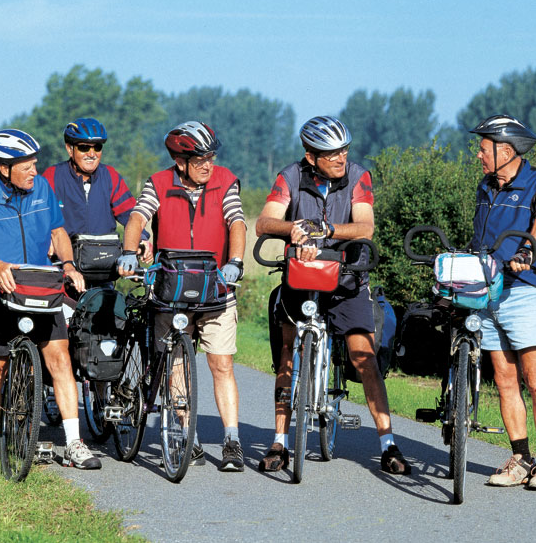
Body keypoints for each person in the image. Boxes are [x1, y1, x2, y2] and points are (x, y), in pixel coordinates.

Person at [256, 116, 411, 475]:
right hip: (302, 275)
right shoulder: (290, 176)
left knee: (363, 356)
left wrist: (327, 230)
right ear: (311, 156)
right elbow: (264, 222)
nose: (341, 157)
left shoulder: (358, 176)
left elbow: (365, 226)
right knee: (286, 355)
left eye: (344, 149)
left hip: (346, 279)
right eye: (331, 153)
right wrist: (293, 230)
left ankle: (388, 443)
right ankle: (280, 441)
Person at [0, 129, 100, 472]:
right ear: (4, 168)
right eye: (26, 165)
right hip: (1, 293)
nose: (34, 171)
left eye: (35, 164)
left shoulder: (42, 188)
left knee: (60, 361)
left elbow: (58, 232)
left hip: (42, 288)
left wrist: (68, 265)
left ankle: (73, 444)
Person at [117, 121, 247, 472]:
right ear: (180, 162)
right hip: (170, 291)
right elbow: (138, 216)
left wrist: (235, 261)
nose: (208, 164)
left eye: (211, 156)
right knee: (176, 366)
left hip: (216, 288)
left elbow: (237, 222)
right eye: (200, 159)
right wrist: (130, 250)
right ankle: (189, 435)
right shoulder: (159, 184)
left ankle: (232, 441)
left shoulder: (225, 181)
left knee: (222, 364)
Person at [470, 114, 536, 490]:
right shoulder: (485, 187)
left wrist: (528, 248)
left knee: (535, 378)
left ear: (505, 150)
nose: (478, 155)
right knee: (505, 380)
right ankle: (520, 458)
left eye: (483, 148)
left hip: (526, 288)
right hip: (488, 290)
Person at [41, 117, 151, 276]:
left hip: (102, 267)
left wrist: (141, 239)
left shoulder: (110, 176)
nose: (92, 154)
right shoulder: (53, 176)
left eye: (97, 148)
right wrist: (47, 238)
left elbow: (130, 215)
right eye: (84, 148)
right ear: (70, 149)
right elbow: (38, 217)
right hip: (63, 267)